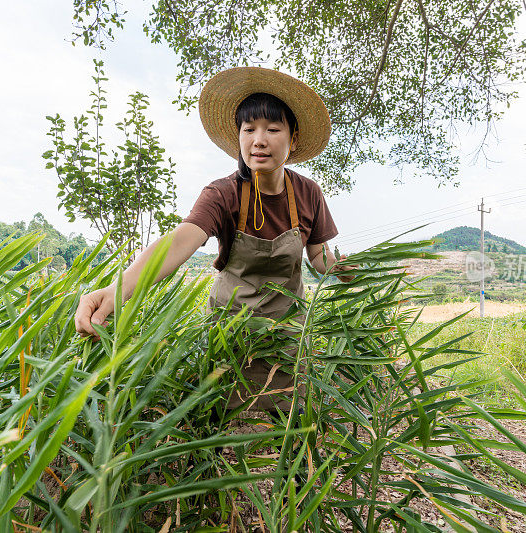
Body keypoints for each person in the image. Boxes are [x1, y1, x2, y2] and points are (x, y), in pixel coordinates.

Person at [74, 67, 352, 412]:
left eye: (272, 129)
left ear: (293, 139)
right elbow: (180, 242)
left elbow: (320, 256)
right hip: (230, 332)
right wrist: (117, 290)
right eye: (248, 129)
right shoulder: (222, 193)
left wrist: (349, 269)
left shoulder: (308, 193)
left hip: (286, 334)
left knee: (284, 422)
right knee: (225, 421)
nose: (258, 140)